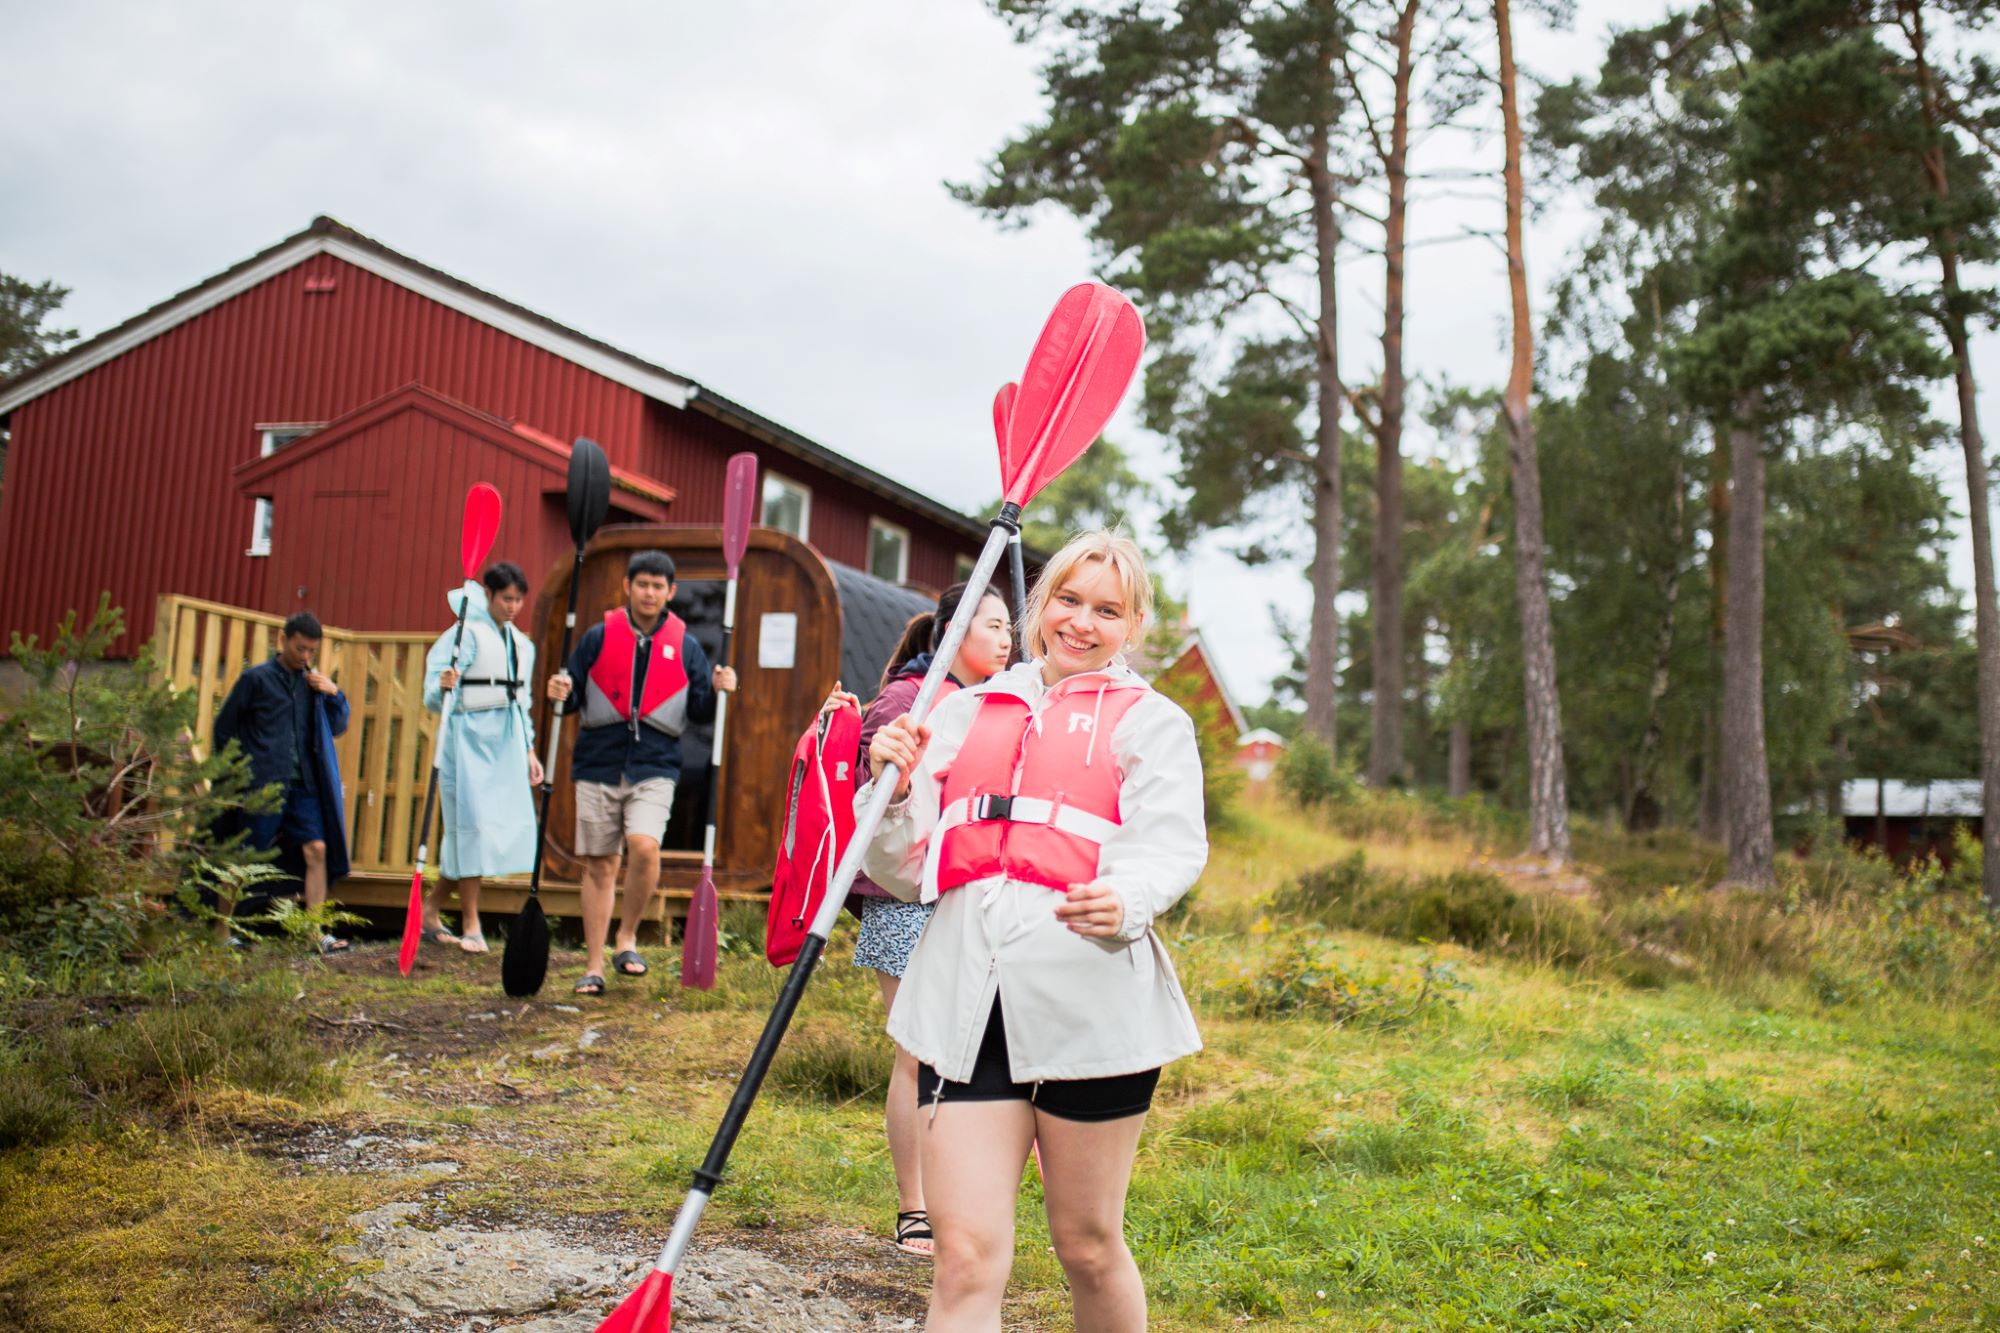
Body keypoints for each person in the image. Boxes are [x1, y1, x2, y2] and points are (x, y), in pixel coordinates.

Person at [861, 532, 1206, 1333]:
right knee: (966, 1256)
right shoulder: (966, 709)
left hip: (1092, 1008)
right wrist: (894, 785)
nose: (1081, 622)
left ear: (1134, 623)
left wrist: (1125, 900)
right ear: (1039, 604)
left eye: (1107, 609)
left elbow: (1171, 846)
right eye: (1068, 600)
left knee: (1085, 1244)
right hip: (965, 1005)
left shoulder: (1153, 723)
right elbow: (905, 864)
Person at [822, 582, 1014, 1258]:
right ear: (955, 631)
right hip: (903, 896)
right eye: (992, 625)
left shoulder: (996, 705)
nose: (1005, 637)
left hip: (964, 897)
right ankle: (915, 1209)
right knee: (917, 1055)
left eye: (1008, 626)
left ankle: (955, 1197)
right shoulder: (907, 700)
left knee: (963, 1054)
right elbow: (871, 802)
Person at [547, 550, 737, 995]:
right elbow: (571, 698)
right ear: (627, 587)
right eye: (642, 584)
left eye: (658, 586)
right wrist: (560, 691)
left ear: (670, 592)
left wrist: (717, 690)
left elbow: (699, 712)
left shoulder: (686, 646)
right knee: (600, 864)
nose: (649, 592)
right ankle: (593, 966)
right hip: (597, 762)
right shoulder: (597, 637)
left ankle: (627, 936)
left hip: (655, 765)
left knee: (644, 847)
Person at [213, 611, 353, 953]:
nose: (305, 657)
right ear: (283, 640)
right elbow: (224, 728)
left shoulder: (314, 684)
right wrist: (235, 776)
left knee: (317, 849)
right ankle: (221, 930)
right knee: (246, 857)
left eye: (311, 651)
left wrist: (334, 692)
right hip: (263, 785)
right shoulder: (256, 680)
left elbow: (337, 726)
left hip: (304, 784)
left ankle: (313, 931)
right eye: (300, 649)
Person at [421, 561, 543, 954]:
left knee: (488, 830)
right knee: (469, 826)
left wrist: (529, 749)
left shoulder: (521, 645)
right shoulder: (463, 634)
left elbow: (520, 702)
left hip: (504, 741)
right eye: (506, 598)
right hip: (466, 736)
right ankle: (471, 923)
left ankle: (432, 907)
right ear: (488, 595)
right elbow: (433, 691)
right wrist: (443, 685)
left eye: (519, 599)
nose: (513, 606)